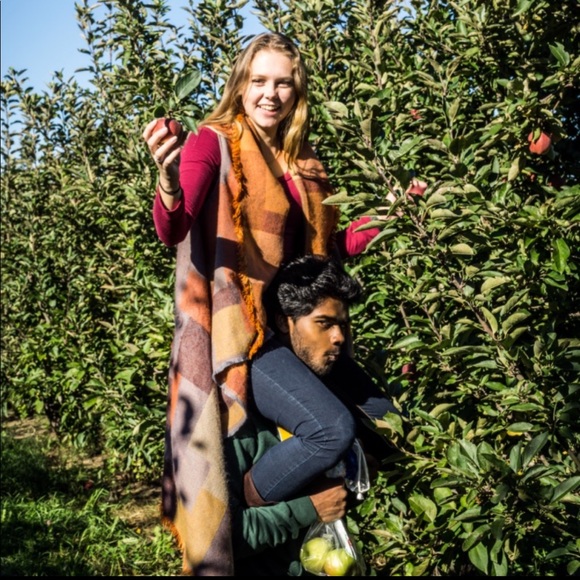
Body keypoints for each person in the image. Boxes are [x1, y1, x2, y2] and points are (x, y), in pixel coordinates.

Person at [142, 32, 389, 575]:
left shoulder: (306, 163)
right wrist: (167, 179)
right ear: (240, 85)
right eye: (258, 81)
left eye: (282, 83)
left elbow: (330, 249)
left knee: (388, 422)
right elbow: (174, 227)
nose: (270, 94)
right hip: (248, 332)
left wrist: (393, 213)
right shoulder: (215, 143)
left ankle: (339, 520)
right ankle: (247, 506)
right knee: (331, 429)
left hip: (297, 324)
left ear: (297, 91)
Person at [225, 254, 398, 576]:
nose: (339, 337)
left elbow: (331, 497)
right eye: (324, 323)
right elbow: (223, 540)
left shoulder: (327, 398)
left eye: (343, 324)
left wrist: (351, 480)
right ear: (283, 322)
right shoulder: (237, 423)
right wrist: (308, 508)